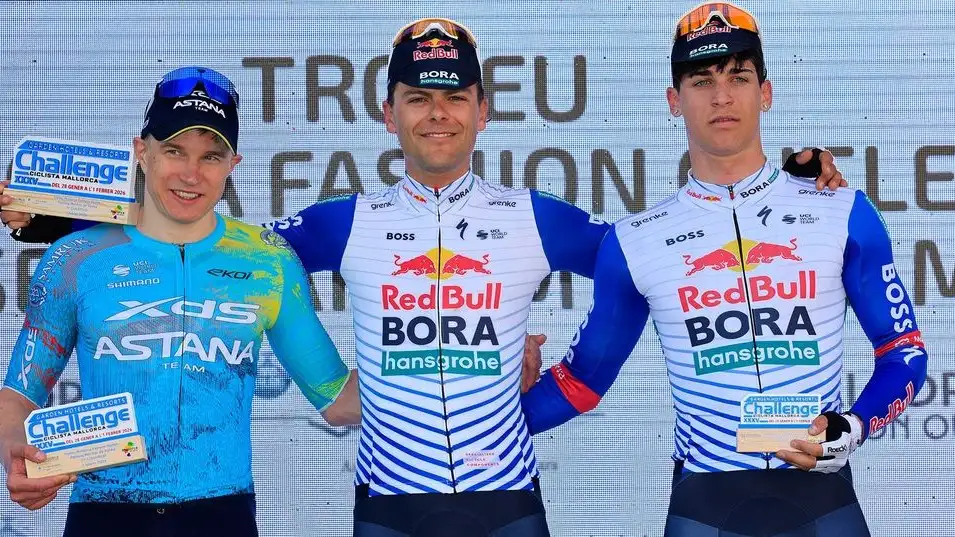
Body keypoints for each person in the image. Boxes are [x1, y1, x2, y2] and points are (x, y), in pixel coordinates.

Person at [1, 18, 845, 537]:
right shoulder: (345, 220)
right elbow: (220, 234)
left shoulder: (534, 216)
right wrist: (70, 218)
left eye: (452, 96)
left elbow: (654, 249)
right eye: (416, 96)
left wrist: (787, 183)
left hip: (507, 500)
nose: (436, 112)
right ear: (388, 113)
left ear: (481, 109)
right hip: (387, 506)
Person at [520, 3, 928, 536]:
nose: (722, 96)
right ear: (674, 100)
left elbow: (904, 352)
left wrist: (852, 426)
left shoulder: (843, 211)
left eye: (738, 77)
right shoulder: (636, 240)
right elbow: (581, 382)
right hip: (706, 508)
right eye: (701, 80)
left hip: (823, 503)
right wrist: (472, 420)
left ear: (766, 92)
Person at [0, 66, 359, 537]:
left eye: (211, 156)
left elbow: (337, 399)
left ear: (233, 164)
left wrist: (444, 373)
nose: (191, 173)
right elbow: (19, 395)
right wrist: (16, 452)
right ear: (141, 152)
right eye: (174, 150)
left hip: (222, 515)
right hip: (104, 513)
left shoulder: (268, 261)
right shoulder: (74, 258)